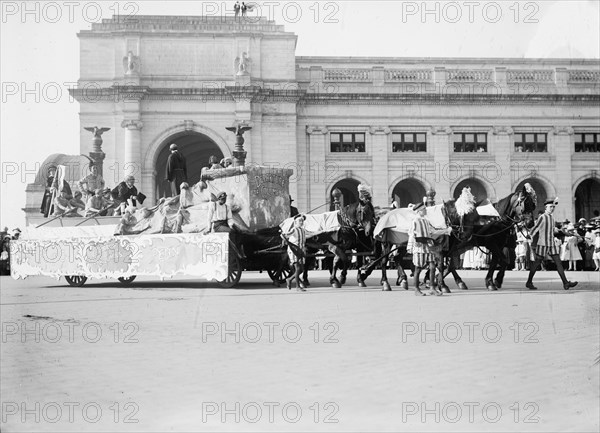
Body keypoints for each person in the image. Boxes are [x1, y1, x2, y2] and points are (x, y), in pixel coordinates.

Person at [526, 198, 578, 290]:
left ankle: (566, 283)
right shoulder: (542, 217)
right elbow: (536, 227)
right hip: (542, 244)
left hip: (551, 243)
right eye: (550, 207)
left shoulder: (552, 217)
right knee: (537, 263)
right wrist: (530, 235)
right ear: (546, 207)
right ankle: (529, 282)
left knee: (558, 263)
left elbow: (553, 229)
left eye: (553, 207)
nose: (552, 208)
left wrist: (564, 232)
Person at [410, 202, 451, 296]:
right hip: (419, 247)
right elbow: (411, 234)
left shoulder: (426, 221)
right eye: (424, 209)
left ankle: (432, 288)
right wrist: (411, 246)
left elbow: (433, 231)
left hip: (429, 247)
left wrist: (445, 231)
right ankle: (416, 289)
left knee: (432, 267)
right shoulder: (415, 221)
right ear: (419, 211)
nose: (425, 210)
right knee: (418, 268)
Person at [281, 214, 307, 291]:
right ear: (295, 222)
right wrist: (285, 240)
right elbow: (284, 235)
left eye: (302, 221)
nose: (301, 222)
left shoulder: (303, 230)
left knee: (301, 269)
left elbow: (311, 233)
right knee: (298, 268)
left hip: (301, 251)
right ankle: (297, 287)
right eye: (300, 221)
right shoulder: (294, 230)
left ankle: (289, 279)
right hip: (294, 251)